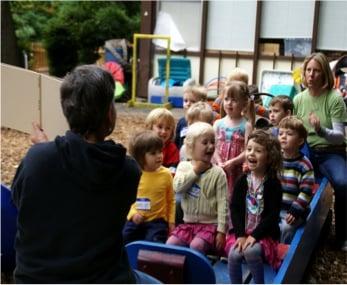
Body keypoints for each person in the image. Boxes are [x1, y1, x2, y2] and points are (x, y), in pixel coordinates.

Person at [11, 65, 159, 283]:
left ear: (67, 112)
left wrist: (43, 150)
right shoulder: (128, 170)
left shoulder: (38, 159)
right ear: (110, 114)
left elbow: (19, 200)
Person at [293, 52, 347, 251]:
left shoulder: (334, 98)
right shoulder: (298, 99)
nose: (311, 75)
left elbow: (339, 137)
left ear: (324, 73)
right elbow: (293, 129)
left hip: (331, 150)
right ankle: (296, 222)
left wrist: (320, 130)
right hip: (305, 148)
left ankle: (342, 236)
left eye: (316, 71)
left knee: (342, 184)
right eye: (308, 70)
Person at [227, 129, 283, 284]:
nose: (251, 153)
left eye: (258, 151)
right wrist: (240, 234)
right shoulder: (242, 180)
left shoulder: (273, 184)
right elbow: (235, 208)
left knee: (251, 251)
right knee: (233, 255)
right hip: (243, 231)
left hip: (264, 234)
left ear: (269, 157)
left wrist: (254, 236)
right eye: (249, 149)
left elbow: (272, 215)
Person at [166, 122, 228, 255]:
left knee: (197, 246)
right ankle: (178, 273)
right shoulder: (184, 166)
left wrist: (221, 231)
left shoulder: (218, 173)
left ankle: (199, 274)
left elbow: (223, 204)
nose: (210, 146)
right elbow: (177, 187)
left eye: (212, 142)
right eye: (205, 143)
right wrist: (195, 171)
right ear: (191, 146)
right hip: (188, 224)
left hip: (210, 226)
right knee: (171, 244)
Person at [122, 130, 175, 244]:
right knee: (124, 238)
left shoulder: (166, 174)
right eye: (153, 153)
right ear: (140, 157)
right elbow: (127, 199)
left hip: (157, 221)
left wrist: (171, 222)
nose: (159, 156)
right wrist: (133, 214)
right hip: (136, 218)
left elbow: (171, 200)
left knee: (154, 243)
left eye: (160, 151)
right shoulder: (135, 173)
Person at [213, 80, 253, 204]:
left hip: (237, 170)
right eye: (226, 99)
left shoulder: (246, 126)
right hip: (219, 167)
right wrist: (219, 161)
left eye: (234, 100)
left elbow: (249, 150)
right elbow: (213, 146)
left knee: (234, 198)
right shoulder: (218, 124)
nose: (229, 103)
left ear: (244, 104)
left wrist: (233, 162)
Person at [278, 116, 315, 244]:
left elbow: (306, 192)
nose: (283, 136)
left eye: (289, 134)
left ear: (299, 141)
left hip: (294, 210)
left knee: (286, 228)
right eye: (281, 133)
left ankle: (284, 253)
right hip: (276, 207)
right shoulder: (276, 160)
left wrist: (295, 210)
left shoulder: (304, 165)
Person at [145, 107, 179, 172]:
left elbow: (173, 169)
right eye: (160, 127)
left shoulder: (172, 149)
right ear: (150, 127)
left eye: (168, 128)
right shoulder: (143, 144)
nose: (164, 131)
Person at [175, 85, 208, 150]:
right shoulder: (181, 121)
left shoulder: (203, 123)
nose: (188, 103)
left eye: (193, 101)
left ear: (202, 104)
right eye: (185, 101)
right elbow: (177, 141)